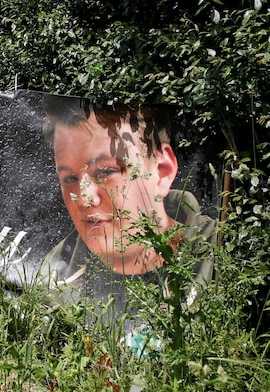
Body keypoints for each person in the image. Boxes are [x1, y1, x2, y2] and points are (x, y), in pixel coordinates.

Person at [40, 96, 216, 309]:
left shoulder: (227, 257)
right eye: (70, 178)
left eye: (105, 172)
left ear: (162, 172)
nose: (85, 198)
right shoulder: (50, 274)